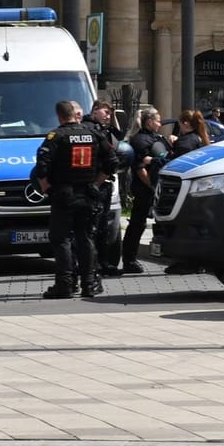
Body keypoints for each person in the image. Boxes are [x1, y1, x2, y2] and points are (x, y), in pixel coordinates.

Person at [32, 100, 118, 298]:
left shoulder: (56, 136)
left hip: (64, 195)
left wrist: (46, 189)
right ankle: (89, 283)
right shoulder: (94, 134)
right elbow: (112, 161)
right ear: (75, 114)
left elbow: (41, 167)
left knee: (61, 239)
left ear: (59, 116)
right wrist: (96, 183)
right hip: (88, 195)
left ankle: (65, 284)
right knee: (86, 237)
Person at [121, 108, 171, 274]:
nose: (159, 123)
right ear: (149, 122)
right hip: (146, 189)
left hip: (161, 188)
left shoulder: (157, 138)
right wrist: (152, 186)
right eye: (157, 120)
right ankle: (129, 260)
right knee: (137, 223)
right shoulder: (140, 140)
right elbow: (140, 168)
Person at [82, 100, 127, 276]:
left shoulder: (103, 128)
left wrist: (113, 115)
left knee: (102, 226)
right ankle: (91, 265)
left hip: (104, 182)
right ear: (94, 111)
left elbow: (119, 134)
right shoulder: (88, 128)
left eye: (110, 113)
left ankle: (102, 262)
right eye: (105, 112)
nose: (108, 116)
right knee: (91, 226)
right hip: (94, 182)